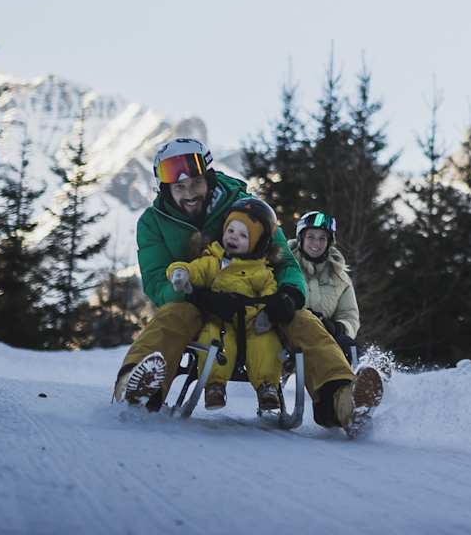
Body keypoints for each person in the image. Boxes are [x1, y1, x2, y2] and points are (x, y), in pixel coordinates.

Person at [112, 138, 380, 436]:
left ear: (209, 178)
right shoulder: (153, 222)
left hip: (258, 303)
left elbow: (286, 263)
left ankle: (344, 401)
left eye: (195, 184)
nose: (189, 194)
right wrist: (197, 295)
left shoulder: (246, 207)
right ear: (166, 189)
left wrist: (289, 295)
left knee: (305, 322)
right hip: (196, 303)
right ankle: (134, 388)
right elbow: (155, 281)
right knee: (172, 317)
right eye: (179, 188)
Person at [166, 198, 283, 411]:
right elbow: (196, 270)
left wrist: (268, 312)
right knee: (213, 337)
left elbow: (269, 292)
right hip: (220, 318)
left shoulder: (260, 270)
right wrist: (181, 272)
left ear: (257, 243)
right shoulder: (214, 260)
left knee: (266, 341)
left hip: (251, 322)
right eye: (230, 231)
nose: (233, 238)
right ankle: (214, 385)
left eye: (243, 235)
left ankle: (268, 386)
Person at [294, 211, 360, 359]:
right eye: (311, 237)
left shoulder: (340, 278)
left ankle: (369, 375)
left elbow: (349, 315)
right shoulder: (285, 267)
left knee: (348, 346)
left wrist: (339, 328)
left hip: (325, 339)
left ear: (329, 242)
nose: (316, 243)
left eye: (322, 238)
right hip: (289, 335)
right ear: (301, 238)